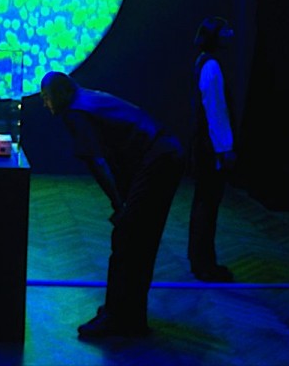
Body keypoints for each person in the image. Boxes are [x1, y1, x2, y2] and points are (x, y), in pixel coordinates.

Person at [40, 72, 182, 339]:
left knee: (129, 237)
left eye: (46, 97)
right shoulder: (85, 99)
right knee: (135, 239)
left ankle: (119, 318)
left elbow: (98, 162)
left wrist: (119, 204)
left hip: (159, 159)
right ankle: (126, 315)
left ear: (60, 93)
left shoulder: (76, 111)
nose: (45, 104)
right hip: (162, 154)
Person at [188, 16, 236, 282]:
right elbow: (216, 110)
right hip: (211, 148)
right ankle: (205, 264)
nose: (230, 33)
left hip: (203, 145)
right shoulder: (212, 66)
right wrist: (225, 148)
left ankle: (199, 260)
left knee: (202, 203)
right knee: (208, 205)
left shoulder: (202, 62)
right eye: (225, 29)